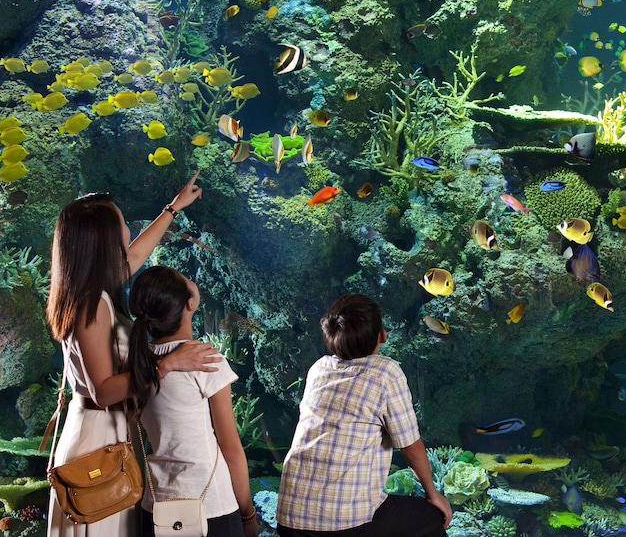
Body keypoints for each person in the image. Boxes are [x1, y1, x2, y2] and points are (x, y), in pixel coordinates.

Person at [45, 172, 221, 536]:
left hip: (112, 434)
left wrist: (174, 207)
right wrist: (168, 363)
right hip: (96, 441)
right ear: (103, 239)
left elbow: (139, 253)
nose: (128, 231)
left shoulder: (95, 289)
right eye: (123, 223)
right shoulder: (91, 306)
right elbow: (103, 391)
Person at [277, 294, 452, 537]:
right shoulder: (386, 372)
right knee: (430, 518)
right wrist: (433, 495)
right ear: (382, 334)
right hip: (343, 522)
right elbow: (410, 445)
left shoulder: (318, 368)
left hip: (289, 518)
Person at [127, 266, 258, 537]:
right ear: (189, 303)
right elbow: (230, 447)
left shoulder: (136, 364)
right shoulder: (206, 360)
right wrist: (248, 513)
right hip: (212, 507)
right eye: (188, 281)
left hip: (156, 507)